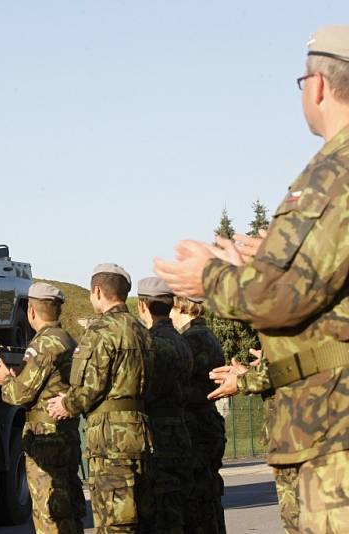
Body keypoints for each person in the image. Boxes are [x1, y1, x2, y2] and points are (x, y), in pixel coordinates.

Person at [154, 25, 349, 531]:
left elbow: (288, 296)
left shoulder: (336, 172)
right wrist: (257, 264)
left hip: (335, 428)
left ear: (319, 86)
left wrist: (211, 277)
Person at [46, 263, 153, 533]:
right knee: (139, 517)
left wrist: (66, 404)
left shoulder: (101, 330)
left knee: (113, 521)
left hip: (110, 438)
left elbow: (90, 386)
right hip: (140, 432)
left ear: (97, 291)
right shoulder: (143, 332)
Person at [0, 281, 86, 534]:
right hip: (65, 431)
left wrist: (5, 379)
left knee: (50, 511)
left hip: (46, 435)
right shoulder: (68, 339)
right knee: (68, 506)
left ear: (31, 310)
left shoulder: (43, 344)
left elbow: (19, 395)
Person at [208, 350, 300, 533]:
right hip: (294, 438)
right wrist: (254, 372)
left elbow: (300, 365)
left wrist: (245, 379)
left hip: (303, 439)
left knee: (302, 518)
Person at [135, 277, 193, 534]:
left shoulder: (150, 344)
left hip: (156, 436)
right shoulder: (183, 341)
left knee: (157, 514)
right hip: (180, 431)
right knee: (176, 511)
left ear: (143, 305)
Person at [168, 295, 226, 533]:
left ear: (180, 307)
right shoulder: (207, 336)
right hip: (207, 421)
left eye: (171, 308)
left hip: (195, 424)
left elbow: (179, 383)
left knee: (195, 503)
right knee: (209, 498)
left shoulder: (191, 340)